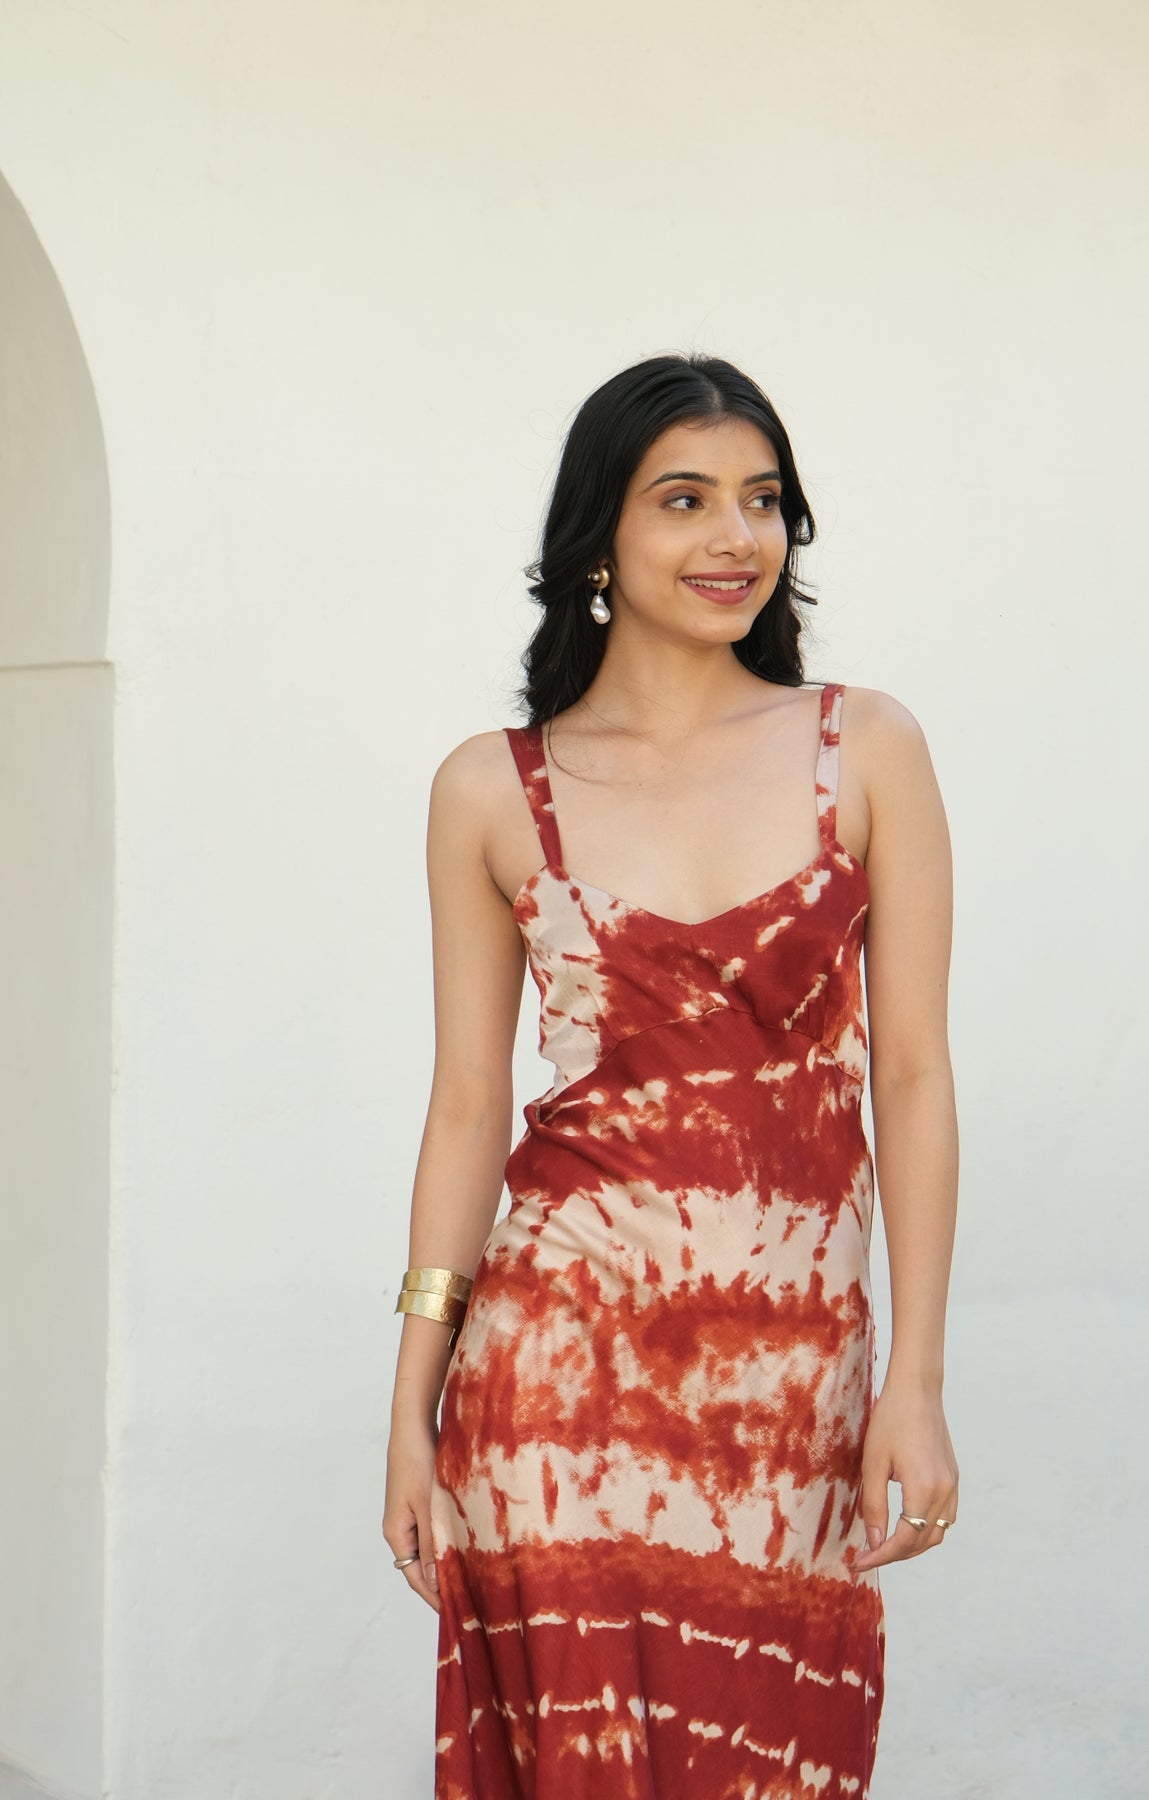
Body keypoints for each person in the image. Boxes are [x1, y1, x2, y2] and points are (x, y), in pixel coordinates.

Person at [383, 352, 959, 1799]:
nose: (735, 538)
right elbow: (467, 1105)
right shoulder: (489, 787)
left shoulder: (864, 747)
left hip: (793, 1391)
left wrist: (917, 1379)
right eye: (685, 500)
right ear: (600, 535)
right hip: (552, 1375)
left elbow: (911, 1076)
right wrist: (410, 1405)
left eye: (762, 501)